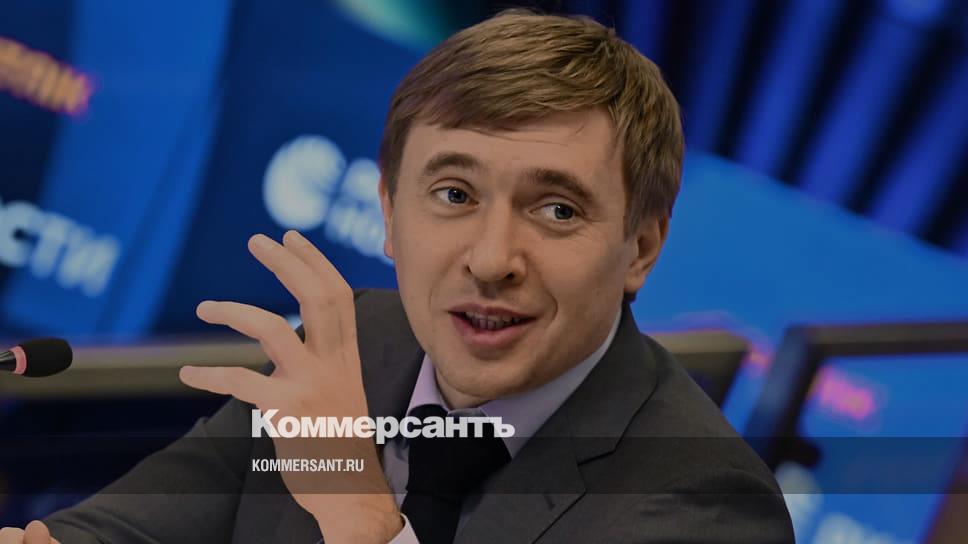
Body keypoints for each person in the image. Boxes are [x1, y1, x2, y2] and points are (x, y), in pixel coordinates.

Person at [0, 9, 794, 544]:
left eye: (556, 210)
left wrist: (363, 517)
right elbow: (135, 526)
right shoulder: (359, 339)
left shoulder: (706, 508)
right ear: (387, 211)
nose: (491, 259)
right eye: (454, 195)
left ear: (641, 248)